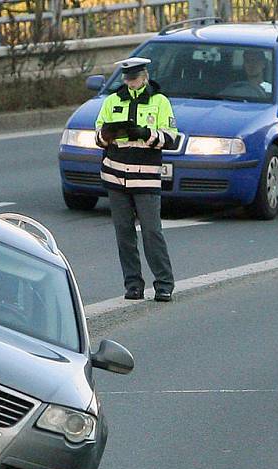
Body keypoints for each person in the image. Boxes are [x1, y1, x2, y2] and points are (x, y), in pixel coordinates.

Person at [95, 57, 178, 302]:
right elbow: (98, 135)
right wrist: (107, 134)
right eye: (127, 79)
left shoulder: (159, 101)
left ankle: (164, 284)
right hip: (116, 176)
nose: (131, 83)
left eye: (135, 79)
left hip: (146, 177)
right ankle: (133, 285)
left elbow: (172, 138)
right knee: (124, 233)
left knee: (152, 232)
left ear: (144, 77)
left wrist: (146, 134)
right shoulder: (112, 101)